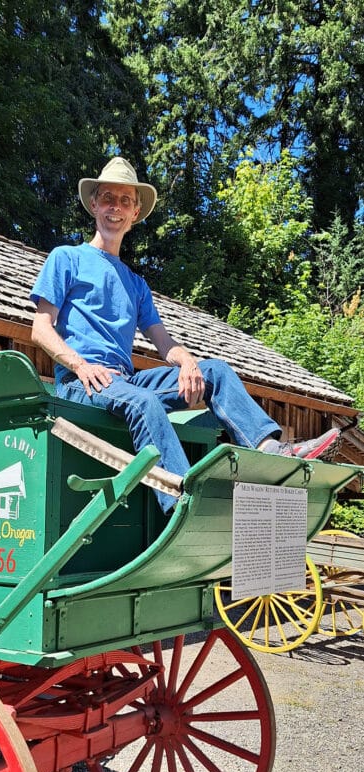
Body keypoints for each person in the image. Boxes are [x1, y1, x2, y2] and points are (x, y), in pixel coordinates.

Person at [30, 157, 340, 513]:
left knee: (216, 372)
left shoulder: (135, 284)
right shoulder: (66, 258)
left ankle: (270, 450)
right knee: (143, 403)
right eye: (108, 198)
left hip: (124, 382)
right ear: (94, 205)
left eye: (125, 200)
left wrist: (189, 362)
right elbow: (41, 329)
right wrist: (81, 366)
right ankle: (182, 502)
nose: (115, 206)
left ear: (135, 213)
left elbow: (164, 344)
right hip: (79, 383)